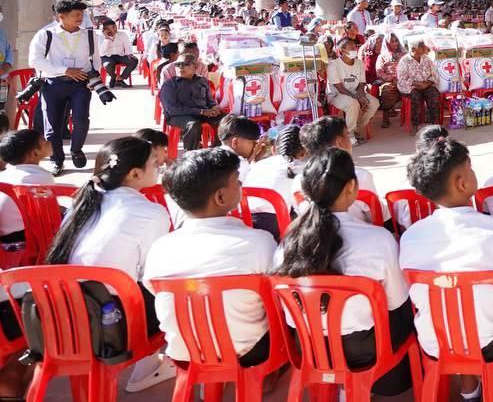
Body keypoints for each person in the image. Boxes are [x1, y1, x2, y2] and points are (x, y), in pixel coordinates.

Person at [274, 148, 413, 396]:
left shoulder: (286, 244)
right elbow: (396, 302)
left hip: (311, 347)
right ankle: (371, 385)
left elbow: (290, 316)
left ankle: (343, 387)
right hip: (367, 350)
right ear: (351, 187)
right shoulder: (379, 239)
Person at [399, 137, 493, 401]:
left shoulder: (410, 237)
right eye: (470, 168)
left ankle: (469, 387)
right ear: (461, 183)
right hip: (490, 344)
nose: (473, 172)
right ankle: (491, 382)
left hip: (436, 344)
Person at [46, 136, 174, 391]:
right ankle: (150, 365)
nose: (160, 165)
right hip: (112, 320)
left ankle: (148, 366)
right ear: (135, 174)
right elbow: (150, 273)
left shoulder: (82, 202)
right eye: (154, 162)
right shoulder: (151, 212)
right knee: (168, 288)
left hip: (63, 312)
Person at [144, 147, 278, 369]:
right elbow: (276, 296)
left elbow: (154, 290)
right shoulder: (259, 242)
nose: (241, 185)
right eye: (237, 181)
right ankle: (270, 378)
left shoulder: (160, 248)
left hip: (185, 352)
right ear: (220, 196)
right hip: (249, 352)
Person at [29, 0, 113, 175]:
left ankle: (76, 149)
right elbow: (35, 61)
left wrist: (93, 79)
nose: (80, 18)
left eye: (81, 14)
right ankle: (57, 159)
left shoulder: (89, 35)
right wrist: (65, 70)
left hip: (80, 84)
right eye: (76, 15)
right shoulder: (45, 34)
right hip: (53, 84)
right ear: (62, 16)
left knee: (81, 120)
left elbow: (95, 60)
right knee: (52, 125)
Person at [296, 118, 379, 223]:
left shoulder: (298, 180)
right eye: (347, 135)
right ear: (339, 142)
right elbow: (377, 217)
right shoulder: (360, 176)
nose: (350, 140)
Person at [158, 55, 224, 153]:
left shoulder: (202, 81)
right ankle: (190, 155)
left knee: (226, 120)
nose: (181, 67)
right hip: (178, 116)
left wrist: (214, 107)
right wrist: (201, 111)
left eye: (185, 64)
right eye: (177, 64)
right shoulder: (169, 85)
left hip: (203, 113)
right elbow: (172, 109)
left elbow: (210, 100)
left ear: (195, 67)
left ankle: (217, 149)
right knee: (193, 125)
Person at [244, 124, 305, 222]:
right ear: (303, 153)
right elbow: (304, 210)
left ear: (273, 149)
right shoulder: (300, 170)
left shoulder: (258, 165)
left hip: (245, 220)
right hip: (276, 226)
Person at [326, 37, 378, 143]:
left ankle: (355, 127)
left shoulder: (359, 63)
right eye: (351, 48)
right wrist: (357, 98)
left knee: (374, 103)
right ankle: (350, 135)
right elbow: (339, 88)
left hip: (354, 92)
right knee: (353, 103)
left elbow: (361, 83)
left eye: (355, 47)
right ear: (342, 50)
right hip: (337, 94)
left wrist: (361, 95)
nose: (355, 50)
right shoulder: (333, 65)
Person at [396, 36, 440, 128]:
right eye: (422, 46)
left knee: (434, 94)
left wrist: (426, 84)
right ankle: (414, 124)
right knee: (415, 96)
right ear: (413, 48)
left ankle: (435, 123)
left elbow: (435, 74)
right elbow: (402, 79)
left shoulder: (427, 59)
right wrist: (417, 84)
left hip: (426, 85)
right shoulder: (404, 61)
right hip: (411, 87)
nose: (425, 47)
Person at [373, 32, 405, 128]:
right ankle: (385, 118)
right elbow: (379, 71)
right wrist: (390, 78)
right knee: (386, 90)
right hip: (389, 81)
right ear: (387, 43)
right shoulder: (382, 56)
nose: (395, 43)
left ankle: (412, 117)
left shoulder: (404, 55)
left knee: (414, 91)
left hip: (403, 80)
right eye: (392, 41)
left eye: (396, 41)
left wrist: (401, 79)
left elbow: (409, 68)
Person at [98, 20, 138, 88]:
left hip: (120, 55)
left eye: (115, 26)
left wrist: (130, 54)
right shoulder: (101, 37)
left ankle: (120, 79)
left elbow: (128, 46)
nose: (115, 28)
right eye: (112, 27)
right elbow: (101, 52)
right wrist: (107, 38)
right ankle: (114, 77)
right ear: (106, 30)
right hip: (106, 57)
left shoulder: (123, 34)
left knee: (134, 60)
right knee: (108, 65)